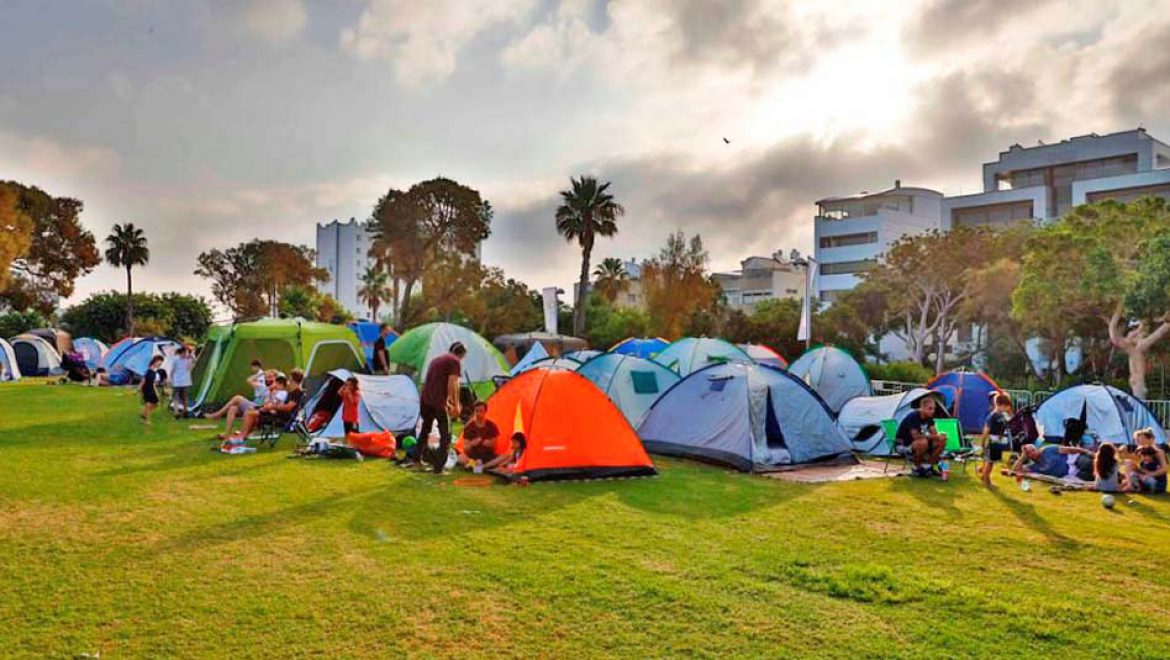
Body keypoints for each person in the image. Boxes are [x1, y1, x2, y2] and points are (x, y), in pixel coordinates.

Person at [415, 342, 466, 474]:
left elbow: (433, 381)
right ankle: (438, 468)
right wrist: (455, 404)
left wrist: (448, 400)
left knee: (425, 429)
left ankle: (416, 460)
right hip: (438, 402)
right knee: (446, 435)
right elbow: (452, 383)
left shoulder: (436, 360)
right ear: (461, 354)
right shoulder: (455, 361)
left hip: (426, 399)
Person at [232, 370, 305, 439]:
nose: (289, 380)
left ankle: (241, 437)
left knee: (250, 414)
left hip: (281, 418)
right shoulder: (294, 391)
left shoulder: (297, 392)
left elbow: (288, 408)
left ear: (293, 379)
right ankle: (244, 434)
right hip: (279, 414)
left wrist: (271, 407)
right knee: (251, 411)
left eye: (290, 378)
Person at [206, 359, 269, 439]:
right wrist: (261, 374)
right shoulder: (263, 383)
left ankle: (217, 415)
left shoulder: (264, 384)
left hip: (257, 406)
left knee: (237, 398)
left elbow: (249, 380)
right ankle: (227, 434)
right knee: (233, 408)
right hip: (255, 402)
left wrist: (262, 374)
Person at [895, 397, 947, 477]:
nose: (932, 411)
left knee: (941, 440)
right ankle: (917, 468)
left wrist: (940, 436)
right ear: (922, 408)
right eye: (930, 408)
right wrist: (934, 436)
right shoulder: (913, 417)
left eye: (934, 409)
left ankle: (928, 467)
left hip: (918, 443)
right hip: (904, 445)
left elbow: (934, 433)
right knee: (923, 442)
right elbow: (916, 436)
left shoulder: (929, 417)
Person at [457, 401, 510, 471]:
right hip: (473, 456)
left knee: (507, 456)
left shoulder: (491, 426)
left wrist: (489, 444)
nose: (479, 413)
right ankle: (477, 465)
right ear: (474, 412)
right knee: (460, 457)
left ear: (485, 412)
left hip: (488, 456)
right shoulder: (469, 427)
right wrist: (472, 444)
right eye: (476, 411)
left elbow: (494, 446)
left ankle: (482, 467)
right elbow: (466, 448)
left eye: (481, 411)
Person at [979, 394, 1013, 486]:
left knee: (991, 462)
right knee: (989, 463)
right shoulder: (992, 416)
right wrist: (983, 443)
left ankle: (983, 474)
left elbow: (1008, 423)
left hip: (998, 443)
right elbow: (986, 430)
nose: (1007, 409)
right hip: (991, 443)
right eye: (1006, 407)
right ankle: (987, 481)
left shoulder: (1001, 415)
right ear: (1000, 405)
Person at [1011, 443, 1092, 481]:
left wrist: (1087, 451)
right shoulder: (1034, 467)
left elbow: (1069, 449)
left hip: (1073, 460)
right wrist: (1022, 458)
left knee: (1089, 464)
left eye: (1033, 450)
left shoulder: (1048, 450)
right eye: (1029, 452)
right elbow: (1014, 471)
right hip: (1072, 474)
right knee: (1091, 477)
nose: (1033, 452)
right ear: (1027, 456)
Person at [1127, 428, 1168, 493]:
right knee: (1129, 466)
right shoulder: (1140, 451)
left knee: (1148, 479)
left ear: (1150, 439)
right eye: (1137, 439)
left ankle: (1137, 487)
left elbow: (1165, 469)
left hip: (1156, 482)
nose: (1138, 442)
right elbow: (1138, 468)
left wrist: (1150, 474)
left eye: (1140, 439)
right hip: (1145, 479)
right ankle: (1132, 486)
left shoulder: (1159, 452)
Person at [140, 355, 164, 425]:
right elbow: (143, 380)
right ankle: (147, 420)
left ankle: (144, 413)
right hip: (147, 389)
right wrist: (139, 389)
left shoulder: (155, 371)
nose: (160, 364)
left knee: (156, 404)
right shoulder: (149, 371)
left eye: (161, 364)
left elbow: (154, 383)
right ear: (155, 361)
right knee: (148, 404)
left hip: (152, 388)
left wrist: (156, 392)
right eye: (159, 363)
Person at [171, 345, 194, 418]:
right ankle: (176, 412)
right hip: (177, 381)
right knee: (176, 397)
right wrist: (170, 378)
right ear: (181, 353)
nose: (186, 354)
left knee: (185, 397)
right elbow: (173, 370)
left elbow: (189, 368)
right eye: (185, 353)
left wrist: (191, 358)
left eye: (187, 353)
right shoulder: (175, 359)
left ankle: (185, 411)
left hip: (186, 381)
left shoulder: (188, 360)